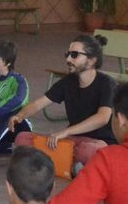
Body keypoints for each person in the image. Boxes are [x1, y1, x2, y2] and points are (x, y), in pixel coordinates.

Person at [8, 34, 116, 172]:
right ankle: (73, 165)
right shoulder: (68, 82)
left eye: (74, 55)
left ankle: (62, 161)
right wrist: (20, 115)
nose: (68, 59)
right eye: (68, 54)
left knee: (89, 151)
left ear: (91, 60)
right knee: (22, 138)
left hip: (99, 143)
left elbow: (102, 118)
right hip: (74, 140)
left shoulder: (107, 84)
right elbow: (38, 103)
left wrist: (65, 132)